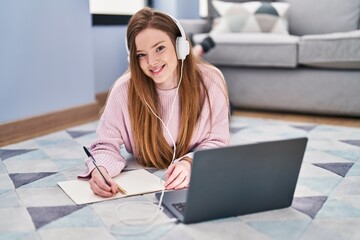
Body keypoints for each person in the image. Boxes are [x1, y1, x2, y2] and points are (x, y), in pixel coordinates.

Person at [79, 7, 231, 198]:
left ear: (180, 46)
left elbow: (218, 141)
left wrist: (191, 162)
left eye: (160, 48)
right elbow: (104, 146)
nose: (151, 62)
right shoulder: (122, 91)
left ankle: (197, 51)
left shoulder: (212, 81)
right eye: (141, 55)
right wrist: (99, 168)